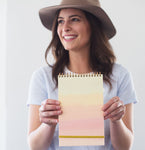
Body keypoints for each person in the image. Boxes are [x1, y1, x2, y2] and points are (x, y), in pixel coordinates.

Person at [27, 0, 138, 150]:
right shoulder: (43, 77)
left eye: (74, 19)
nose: (65, 28)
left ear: (93, 26)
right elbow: (35, 147)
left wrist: (116, 120)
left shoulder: (120, 75)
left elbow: (124, 147)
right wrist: (48, 123)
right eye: (60, 21)